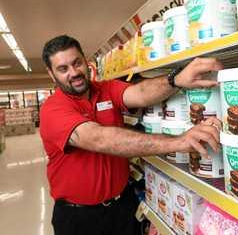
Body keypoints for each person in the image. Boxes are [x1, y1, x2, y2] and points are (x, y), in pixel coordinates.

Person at [40, 35, 223, 235]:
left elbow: (141, 93)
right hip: (79, 218)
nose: (74, 73)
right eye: (63, 69)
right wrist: (179, 142)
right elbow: (98, 138)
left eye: (77, 63)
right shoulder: (52, 109)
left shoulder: (105, 89)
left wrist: (176, 79)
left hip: (123, 205)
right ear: (51, 74)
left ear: (86, 61)